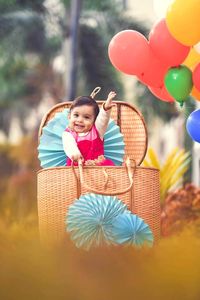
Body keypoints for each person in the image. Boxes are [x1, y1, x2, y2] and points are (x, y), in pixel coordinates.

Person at [62, 89, 116, 166]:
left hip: (98, 168)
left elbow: (102, 120)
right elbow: (69, 145)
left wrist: (105, 109)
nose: (80, 120)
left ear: (94, 121)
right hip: (77, 168)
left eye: (86, 117)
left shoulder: (97, 131)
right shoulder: (68, 134)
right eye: (76, 115)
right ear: (69, 116)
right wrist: (75, 154)